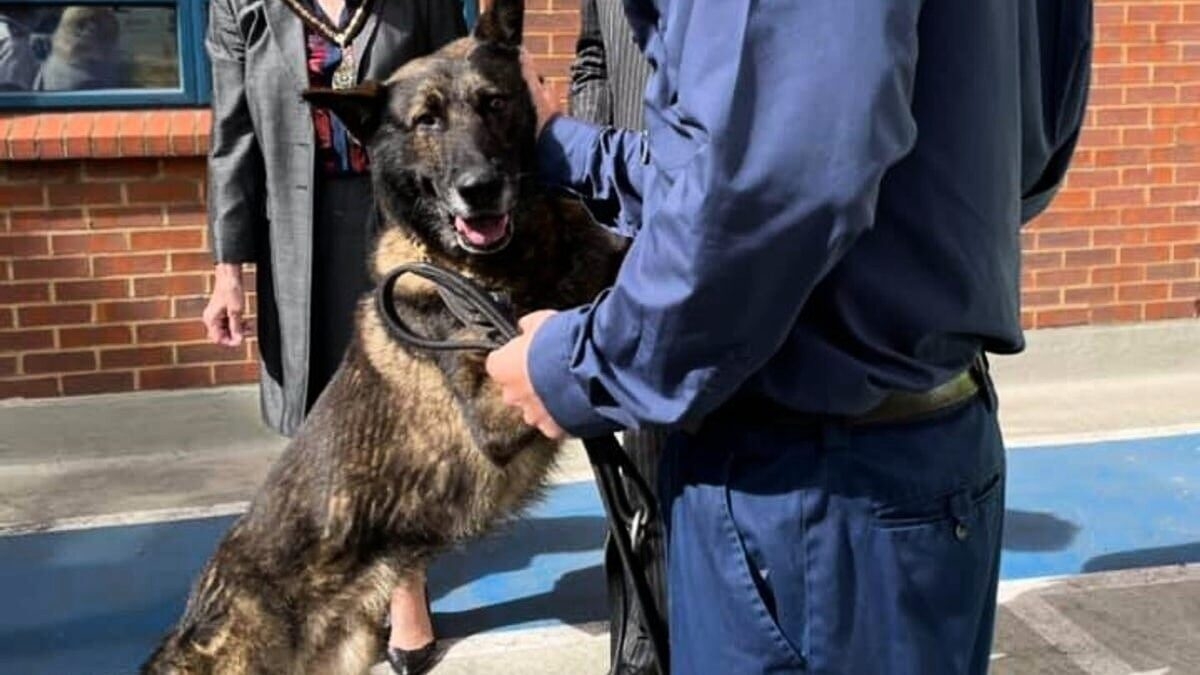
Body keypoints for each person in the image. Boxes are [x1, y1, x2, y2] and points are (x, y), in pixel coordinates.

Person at [488, 2, 1093, 674]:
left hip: (807, 490)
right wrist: (570, 150)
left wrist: (581, 365)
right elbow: (1032, 148)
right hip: (925, 454)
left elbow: (776, 186)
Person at [200, 0, 466, 673]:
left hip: (403, 228)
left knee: (411, 419)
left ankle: (405, 591)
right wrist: (227, 271)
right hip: (298, 235)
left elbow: (460, 101)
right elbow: (231, 138)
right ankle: (348, 585)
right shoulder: (242, 6)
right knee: (324, 426)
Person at [567, 3, 663, 674]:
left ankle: (652, 639)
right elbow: (593, 53)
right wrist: (585, 168)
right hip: (623, 201)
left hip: (696, 198)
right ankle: (638, 637)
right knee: (638, 450)